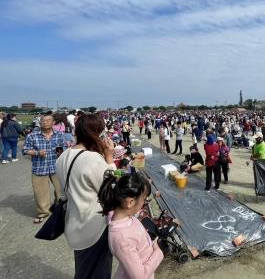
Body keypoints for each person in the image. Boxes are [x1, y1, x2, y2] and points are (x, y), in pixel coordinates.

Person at [56, 113, 116, 279]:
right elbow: (110, 190)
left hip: (73, 223)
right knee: (98, 272)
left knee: (83, 270)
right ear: (96, 133)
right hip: (93, 226)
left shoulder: (62, 157)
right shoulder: (93, 159)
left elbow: (64, 191)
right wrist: (109, 158)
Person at [98, 171, 163, 279]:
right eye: (143, 199)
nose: (144, 203)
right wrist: (158, 253)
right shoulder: (122, 237)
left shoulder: (123, 215)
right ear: (130, 202)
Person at [22, 114, 66, 223]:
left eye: (48, 120)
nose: (45, 122)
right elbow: (25, 150)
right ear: (39, 122)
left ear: (53, 122)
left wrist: (61, 152)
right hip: (40, 168)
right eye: (43, 120)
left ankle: (59, 208)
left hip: (56, 167)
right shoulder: (32, 136)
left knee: (61, 191)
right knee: (40, 192)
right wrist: (37, 153)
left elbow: (64, 147)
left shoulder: (59, 135)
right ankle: (43, 212)